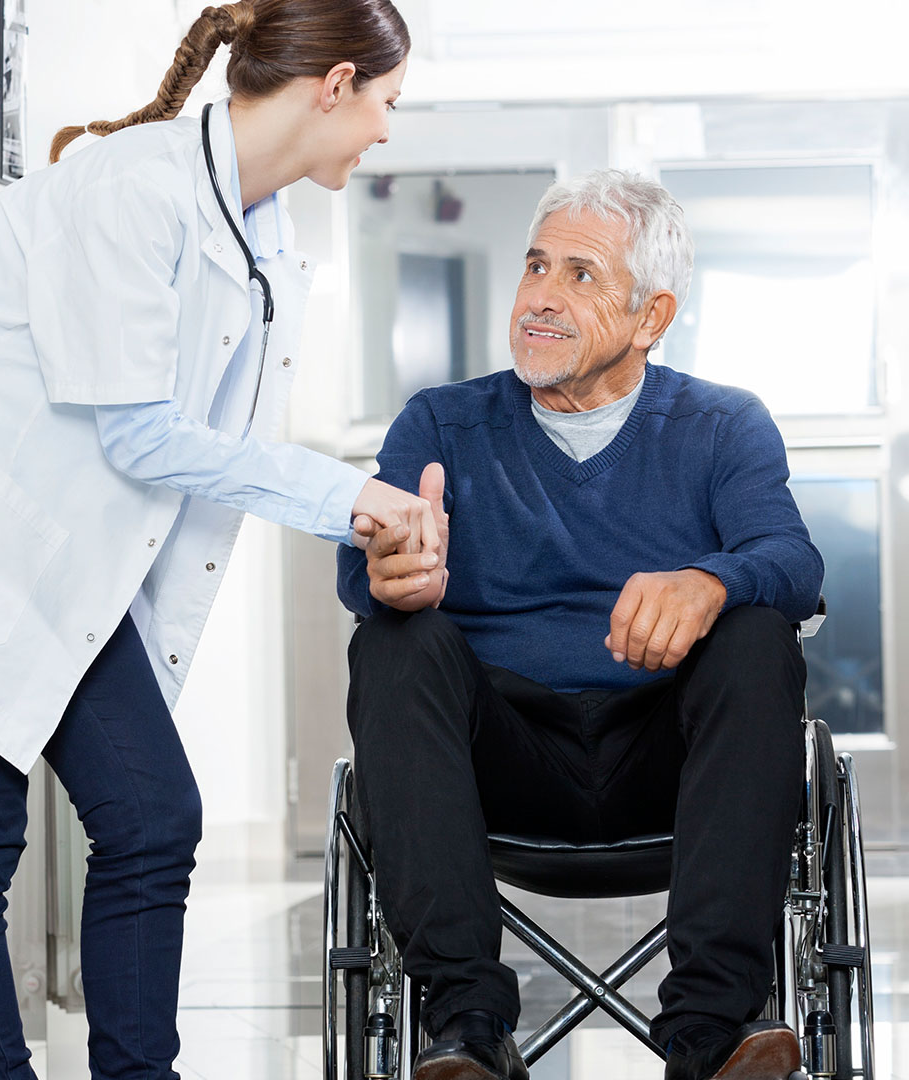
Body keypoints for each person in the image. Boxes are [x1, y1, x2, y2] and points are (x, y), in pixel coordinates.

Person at [0, 2, 441, 1078]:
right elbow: (145, 431)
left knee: (153, 819)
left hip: (57, 559)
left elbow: (190, 443)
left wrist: (346, 498)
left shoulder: (261, 225)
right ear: (336, 84)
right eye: (387, 103)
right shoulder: (133, 189)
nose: (388, 131)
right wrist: (353, 497)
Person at [337, 170, 824, 1080]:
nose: (541, 299)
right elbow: (359, 575)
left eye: (581, 276)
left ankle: (712, 1030)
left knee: (757, 632)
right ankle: (469, 1028)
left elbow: (795, 563)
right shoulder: (440, 424)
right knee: (393, 641)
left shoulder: (722, 425)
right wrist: (390, 577)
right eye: (534, 266)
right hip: (501, 761)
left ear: (651, 316)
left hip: (667, 760)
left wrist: (709, 582)